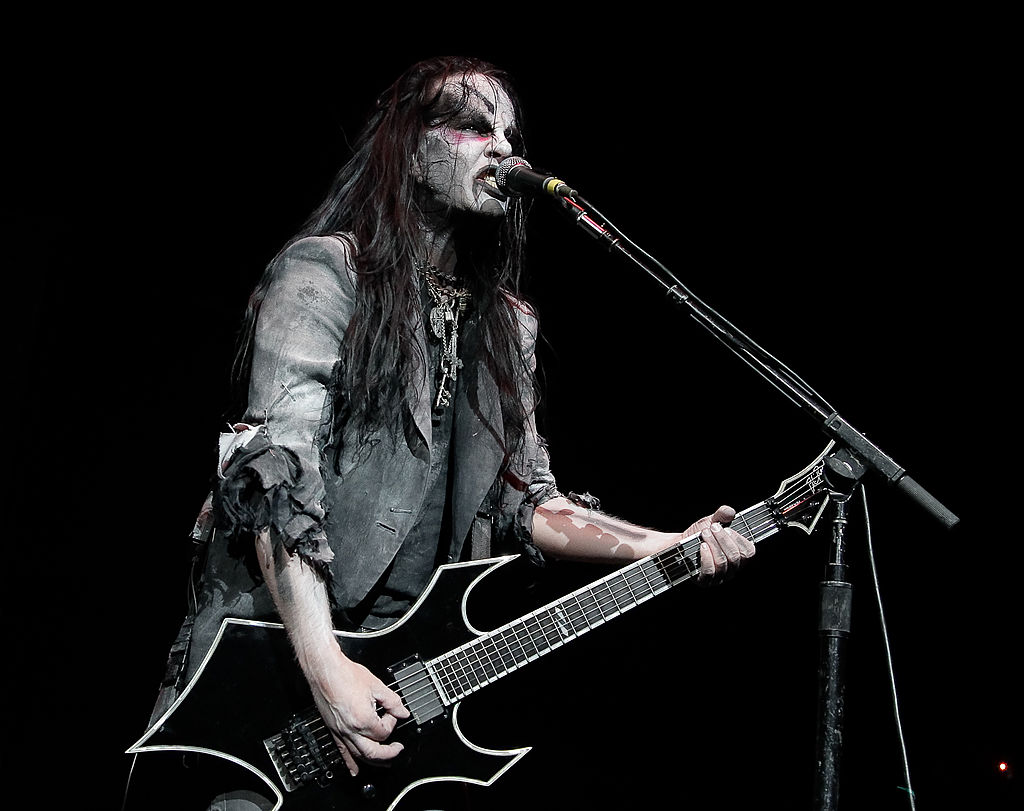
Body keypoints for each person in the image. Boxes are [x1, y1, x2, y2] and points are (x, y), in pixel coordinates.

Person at [128, 55, 755, 810]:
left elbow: (530, 502)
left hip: (406, 690)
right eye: (472, 124)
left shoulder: (506, 325)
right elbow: (272, 481)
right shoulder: (323, 276)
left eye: (509, 131)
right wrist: (326, 669)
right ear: (409, 144)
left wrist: (668, 545)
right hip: (275, 674)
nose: (501, 146)